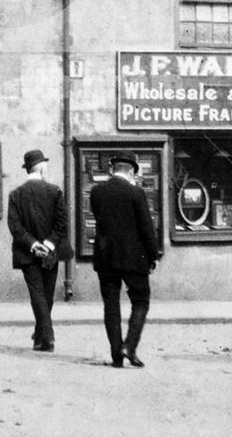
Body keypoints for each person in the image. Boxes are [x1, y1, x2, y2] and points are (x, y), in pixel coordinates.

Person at [90, 153, 160, 368]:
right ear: (131, 171)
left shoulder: (96, 191)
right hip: (133, 258)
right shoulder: (136, 193)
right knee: (141, 301)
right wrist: (152, 255)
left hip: (106, 257)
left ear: (112, 169)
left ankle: (116, 356)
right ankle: (129, 345)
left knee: (111, 306)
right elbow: (147, 228)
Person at [7, 148, 70, 352]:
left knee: (37, 294)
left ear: (28, 169)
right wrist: (48, 245)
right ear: (42, 167)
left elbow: (15, 227)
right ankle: (48, 336)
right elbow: (62, 224)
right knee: (47, 295)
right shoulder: (55, 191)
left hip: (27, 253)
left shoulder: (16, 194)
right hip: (50, 253)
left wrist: (34, 245)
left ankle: (41, 336)